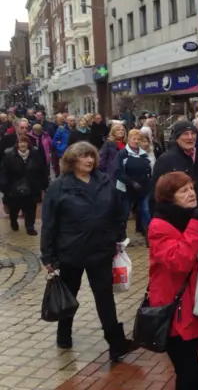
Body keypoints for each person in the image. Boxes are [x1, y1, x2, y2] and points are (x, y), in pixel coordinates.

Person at [40, 141, 133, 360]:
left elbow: (118, 211)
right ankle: (64, 335)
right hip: (71, 252)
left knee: (105, 298)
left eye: (91, 156)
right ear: (72, 161)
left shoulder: (104, 180)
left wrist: (117, 235)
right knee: (68, 295)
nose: (89, 160)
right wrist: (48, 255)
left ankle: (116, 343)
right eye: (83, 156)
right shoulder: (59, 186)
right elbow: (49, 222)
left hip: (100, 251)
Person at [147, 172, 198, 390]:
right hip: (175, 310)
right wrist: (196, 224)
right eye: (183, 190)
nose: (191, 193)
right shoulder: (159, 225)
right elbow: (179, 261)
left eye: (191, 188)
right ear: (170, 197)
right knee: (187, 372)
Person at [150, 121, 198, 214]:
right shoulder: (166, 159)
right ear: (177, 138)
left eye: (193, 133)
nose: (190, 137)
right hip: (177, 215)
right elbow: (156, 193)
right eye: (185, 134)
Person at [0, 135, 48, 235]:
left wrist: (43, 183)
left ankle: (30, 227)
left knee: (30, 208)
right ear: (17, 144)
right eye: (21, 142)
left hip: (31, 186)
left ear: (28, 144)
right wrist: (4, 186)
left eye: (25, 142)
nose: (23, 144)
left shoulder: (35, 153)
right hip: (14, 187)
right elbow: (3, 171)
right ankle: (13, 221)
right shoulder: (9, 154)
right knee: (14, 209)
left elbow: (42, 169)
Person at [114, 129, 152, 235]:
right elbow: (118, 172)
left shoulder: (144, 154)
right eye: (133, 139)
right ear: (129, 139)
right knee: (124, 214)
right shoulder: (122, 154)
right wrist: (131, 183)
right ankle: (121, 236)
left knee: (146, 211)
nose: (136, 141)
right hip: (126, 189)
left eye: (138, 139)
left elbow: (148, 171)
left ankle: (149, 234)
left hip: (143, 189)